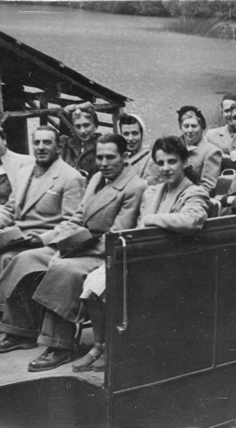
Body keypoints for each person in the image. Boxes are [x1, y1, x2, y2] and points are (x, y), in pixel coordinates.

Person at [0, 134, 147, 372]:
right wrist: (58, 242)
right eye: (100, 157)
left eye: (110, 157)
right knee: (26, 259)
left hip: (100, 253)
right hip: (76, 244)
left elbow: (115, 236)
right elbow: (77, 217)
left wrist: (68, 251)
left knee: (63, 270)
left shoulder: (134, 187)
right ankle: (20, 331)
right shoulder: (97, 178)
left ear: (125, 157)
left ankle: (60, 345)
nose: (103, 163)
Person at [72, 135, 210, 372]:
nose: (166, 168)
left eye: (172, 161)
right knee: (93, 284)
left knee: (110, 287)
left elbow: (193, 220)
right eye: (160, 162)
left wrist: (153, 219)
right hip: (145, 258)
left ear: (184, 162)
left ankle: (114, 348)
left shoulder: (193, 192)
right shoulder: (152, 192)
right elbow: (137, 230)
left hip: (175, 263)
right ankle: (98, 345)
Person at [0, 126, 85, 310]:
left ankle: (3, 314)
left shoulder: (70, 177)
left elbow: (72, 223)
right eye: (37, 143)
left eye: (47, 142)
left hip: (48, 243)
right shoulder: (23, 173)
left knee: (8, 259)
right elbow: (10, 209)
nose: (41, 147)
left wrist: (43, 238)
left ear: (59, 147)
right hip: (19, 238)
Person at [177, 105, 222, 195]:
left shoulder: (211, 152)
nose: (190, 130)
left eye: (194, 126)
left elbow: (207, 187)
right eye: (186, 126)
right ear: (181, 128)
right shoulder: (174, 146)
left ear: (202, 127)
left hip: (191, 197)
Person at [60, 101, 101, 180]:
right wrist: (76, 107)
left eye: (86, 125)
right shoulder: (68, 144)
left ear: (95, 125)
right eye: (78, 126)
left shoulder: (102, 145)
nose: (82, 131)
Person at [119, 113, 159, 184]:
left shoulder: (151, 159)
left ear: (142, 134)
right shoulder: (120, 158)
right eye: (126, 134)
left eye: (135, 133)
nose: (130, 138)